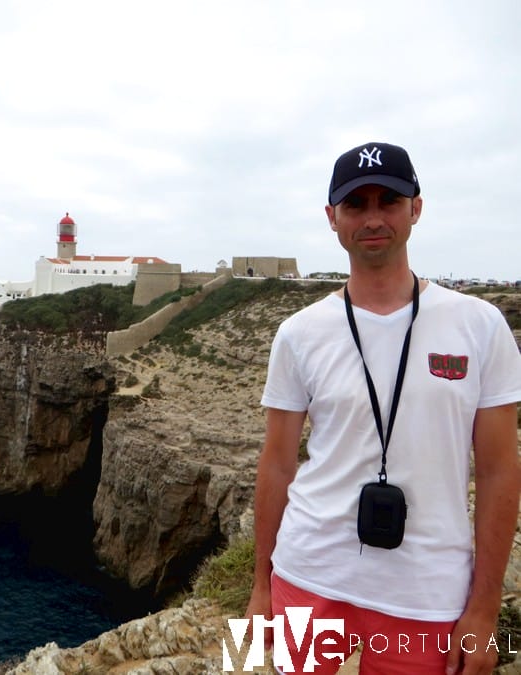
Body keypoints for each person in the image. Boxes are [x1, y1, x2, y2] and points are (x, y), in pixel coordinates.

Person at [246, 141, 521, 674]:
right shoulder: (298, 334)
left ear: (415, 207)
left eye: (388, 200)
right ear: (332, 217)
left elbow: (498, 470)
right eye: (356, 204)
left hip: (424, 591)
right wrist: (261, 588)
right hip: (308, 575)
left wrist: (484, 612)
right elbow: (277, 463)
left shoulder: (479, 326)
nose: (373, 218)